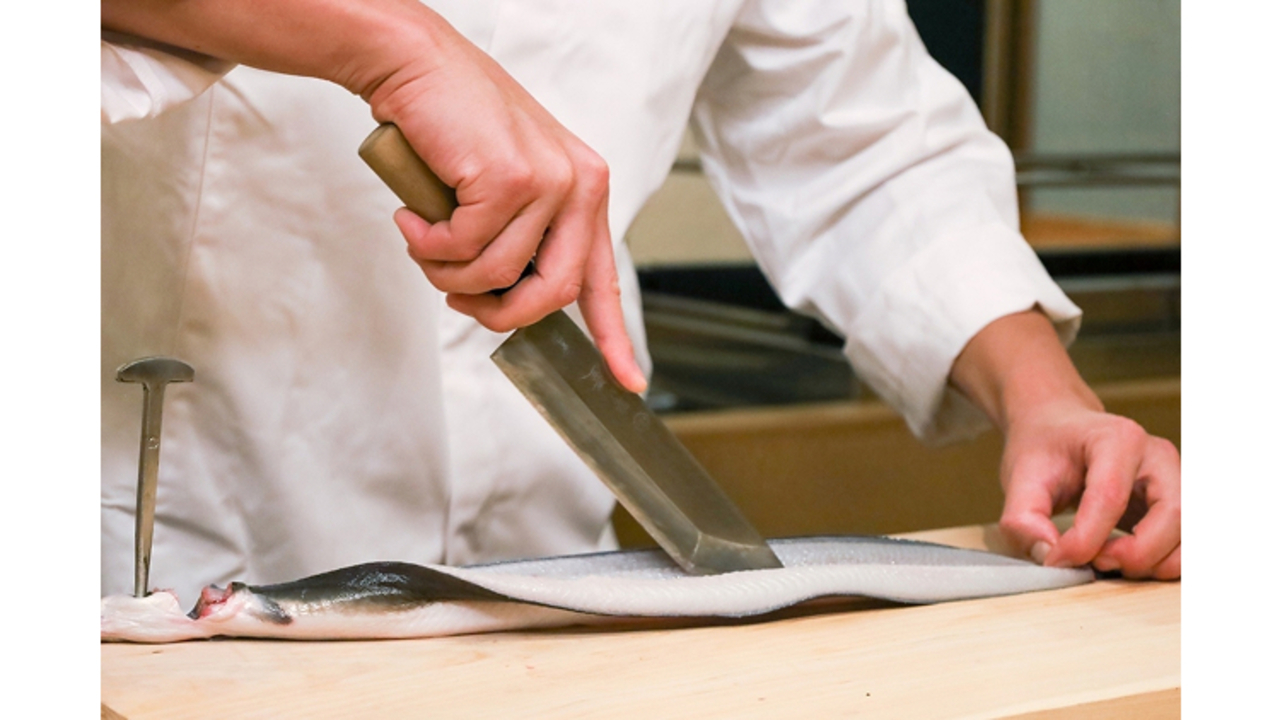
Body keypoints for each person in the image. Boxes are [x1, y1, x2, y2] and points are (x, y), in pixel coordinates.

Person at [101, 0, 1180, 604]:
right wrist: (393, 45)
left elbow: (863, 143)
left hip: (541, 573)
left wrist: (1047, 399)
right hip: (159, 556)